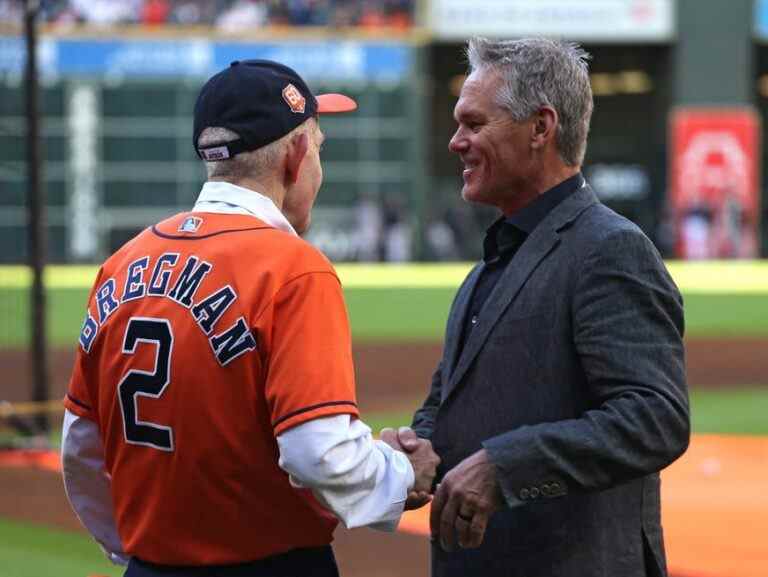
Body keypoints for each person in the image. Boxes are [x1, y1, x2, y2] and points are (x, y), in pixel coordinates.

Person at [61, 59, 439, 577]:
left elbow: (80, 447)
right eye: (319, 149)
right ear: (297, 155)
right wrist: (400, 473)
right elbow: (315, 451)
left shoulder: (122, 263)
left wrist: (136, 552)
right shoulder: (294, 269)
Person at [388, 37, 690, 577]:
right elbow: (449, 403)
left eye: (475, 124)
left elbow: (656, 418)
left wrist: (508, 467)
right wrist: (418, 449)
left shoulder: (609, 248)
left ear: (540, 128)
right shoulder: (490, 264)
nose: (456, 142)